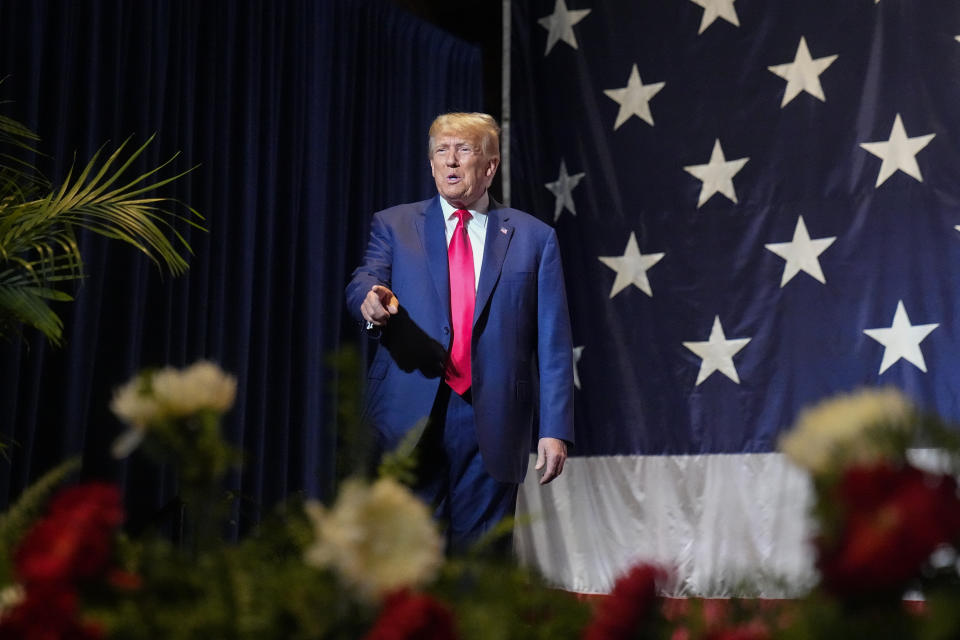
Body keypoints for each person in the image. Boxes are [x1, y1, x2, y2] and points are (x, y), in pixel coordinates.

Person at [346, 112, 574, 551]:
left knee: (481, 566)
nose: (450, 161)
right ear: (431, 164)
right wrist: (370, 300)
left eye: (464, 150)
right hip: (408, 411)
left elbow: (553, 343)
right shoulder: (395, 224)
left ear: (489, 166)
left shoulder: (534, 238)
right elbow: (365, 278)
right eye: (441, 151)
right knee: (407, 563)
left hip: (491, 416)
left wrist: (555, 427)